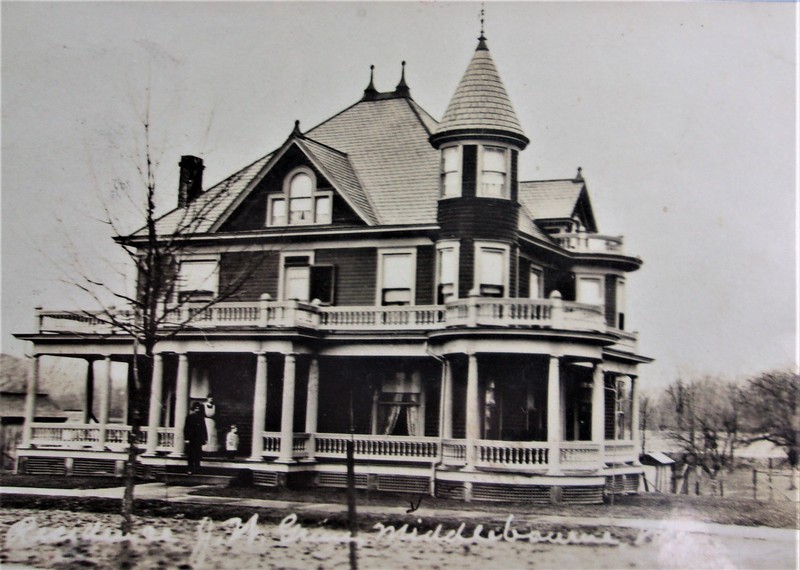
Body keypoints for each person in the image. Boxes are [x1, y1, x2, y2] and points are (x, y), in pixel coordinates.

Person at [184, 402, 207, 474]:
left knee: (198, 454)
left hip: (198, 439)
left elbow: (204, 428)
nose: (197, 410)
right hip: (191, 439)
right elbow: (186, 428)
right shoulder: (189, 417)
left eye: (198, 408)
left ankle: (197, 469)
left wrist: (205, 438)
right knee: (190, 455)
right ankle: (190, 469)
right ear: (193, 409)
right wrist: (186, 438)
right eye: (196, 408)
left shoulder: (201, 418)